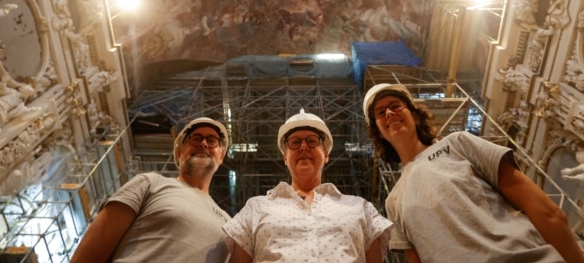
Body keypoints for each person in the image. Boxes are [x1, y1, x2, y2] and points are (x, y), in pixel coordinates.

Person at [363, 83, 584, 263]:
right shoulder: (393, 201)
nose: (390, 113)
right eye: (381, 113)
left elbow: (547, 212)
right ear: (379, 132)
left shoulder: (458, 144)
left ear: (415, 115)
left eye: (396, 105)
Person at [223, 108, 393, 263]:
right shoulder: (255, 208)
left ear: (326, 154)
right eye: (295, 142)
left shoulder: (361, 208)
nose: (303, 147)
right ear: (285, 158)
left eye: (312, 141)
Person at [71, 117, 231, 263]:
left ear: (221, 156)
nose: (203, 144)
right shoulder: (151, 183)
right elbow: (94, 247)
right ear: (180, 152)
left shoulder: (229, 223)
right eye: (196, 139)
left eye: (212, 141)